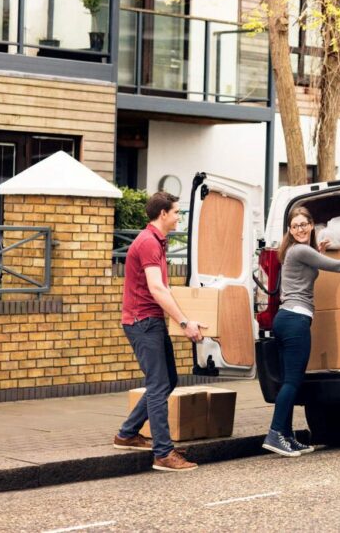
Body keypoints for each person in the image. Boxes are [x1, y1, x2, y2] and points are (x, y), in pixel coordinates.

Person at [263, 206, 340, 457]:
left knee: (289, 382)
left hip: (287, 318)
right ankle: (275, 433)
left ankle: (285, 436)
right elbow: (335, 267)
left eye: (303, 225)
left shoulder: (296, 253)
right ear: (290, 230)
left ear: (311, 225)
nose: (299, 229)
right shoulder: (300, 250)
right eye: (295, 226)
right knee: (293, 382)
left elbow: (309, 268)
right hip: (295, 320)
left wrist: (317, 251)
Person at [113, 191, 206, 472]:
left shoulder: (155, 241)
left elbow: (161, 289)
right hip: (143, 321)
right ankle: (163, 453)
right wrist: (183, 322)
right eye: (177, 212)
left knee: (168, 379)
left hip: (150, 320)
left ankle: (127, 433)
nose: (179, 217)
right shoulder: (149, 243)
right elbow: (156, 288)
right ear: (163, 214)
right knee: (157, 384)